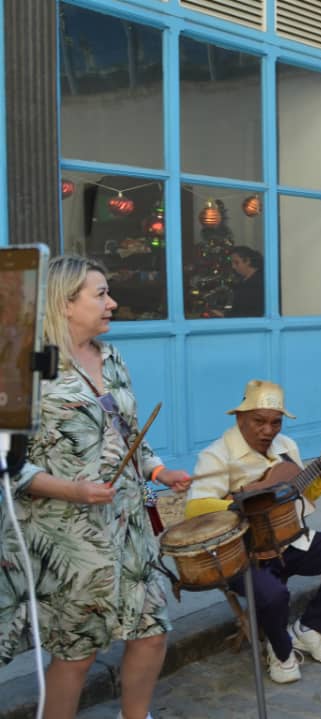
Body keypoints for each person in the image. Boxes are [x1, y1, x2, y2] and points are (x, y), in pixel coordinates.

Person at [0, 256, 191, 719]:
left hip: (127, 525)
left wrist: (158, 471)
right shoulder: (24, 366)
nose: (113, 303)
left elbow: (126, 430)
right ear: (64, 303)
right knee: (77, 652)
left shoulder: (112, 357)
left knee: (152, 630)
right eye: (100, 294)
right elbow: (7, 465)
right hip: (66, 533)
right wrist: (73, 491)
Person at [185, 379, 321, 684]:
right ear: (240, 418)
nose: (268, 430)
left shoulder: (287, 447)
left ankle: (310, 628)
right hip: (241, 553)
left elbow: (300, 497)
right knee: (273, 594)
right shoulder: (216, 456)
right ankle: (281, 652)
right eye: (259, 421)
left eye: (275, 422)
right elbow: (194, 510)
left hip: (287, 540)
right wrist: (243, 504)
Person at [227, 246, 264, 317]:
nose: (233, 267)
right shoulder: (243, 281)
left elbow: (249, 313)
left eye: (236, 262)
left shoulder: (258, 283)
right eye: (232, 263)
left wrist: (225, 315)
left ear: (247, 261)